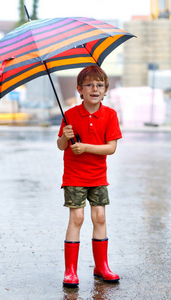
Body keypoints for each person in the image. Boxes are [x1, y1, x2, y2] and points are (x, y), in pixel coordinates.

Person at [57, 65, 121, 288]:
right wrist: (65, 137)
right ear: (79, 90)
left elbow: (110, 148)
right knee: (77, 218)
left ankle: (101, 266)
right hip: (74, 176)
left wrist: (85, 147)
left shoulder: (110, 115)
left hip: (98, 177)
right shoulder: (70, 115)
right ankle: (70, 271)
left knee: (100, 217)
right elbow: (60, 146)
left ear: (105, 90)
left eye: (100, 85)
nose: (95, 89)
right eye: (89, 85)